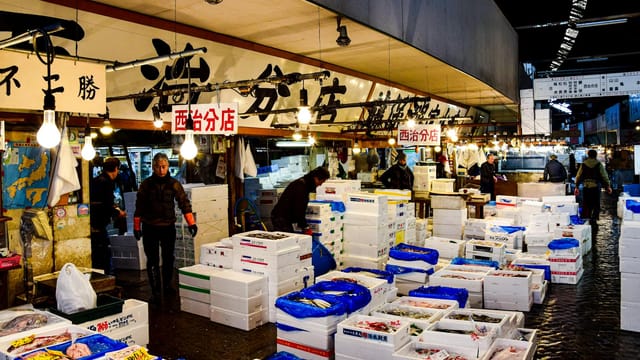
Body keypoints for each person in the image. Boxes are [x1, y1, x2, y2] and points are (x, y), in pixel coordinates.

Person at [134, 153, 198, 303]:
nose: (161, 170)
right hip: (149, 227)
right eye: (158, 167)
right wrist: (137, 227)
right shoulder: (146, 185)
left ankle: (167, 285)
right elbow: (139, 207)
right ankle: (155, 290)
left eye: (164, 166)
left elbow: (184, 203)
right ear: (153, 167)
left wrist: (192, 223)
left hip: (168, 227)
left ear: (168, 166)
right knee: (153, 261)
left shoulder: (174, 184)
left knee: (169, 258)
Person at [90, 157, 126, 275]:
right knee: (103, 255)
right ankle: (103, 278)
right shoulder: (107, 182)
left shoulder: (96, 180)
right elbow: (106, 205)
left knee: (98, 254)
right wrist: (118, 212)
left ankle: (99, 276)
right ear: (116, 169)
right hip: (98, 224)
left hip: (92, 223)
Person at [270, 166, 331, 233]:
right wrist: (305, 227)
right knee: (288, 241)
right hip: (280, 218)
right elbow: (299, 209)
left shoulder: (304, 183)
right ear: (316, 178)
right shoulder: (301, 187)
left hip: (284, 217)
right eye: (321, 182)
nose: (320, 185)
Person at [574, 149, 612, 221]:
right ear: (595, 155)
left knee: (586, 203)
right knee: (596, 203)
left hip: (586, 187)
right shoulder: (598, 164)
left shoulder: (584, 164)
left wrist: (576, 187)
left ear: (588, 155)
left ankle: (586, 218)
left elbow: (578, 176)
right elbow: (604, 176)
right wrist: (608, 186)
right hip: (596, 187)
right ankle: (594, 218)